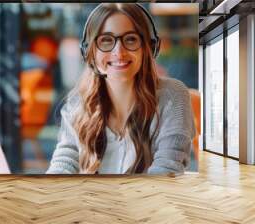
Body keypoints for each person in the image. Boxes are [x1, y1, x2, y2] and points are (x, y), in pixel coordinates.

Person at [46, 3, 196, 175]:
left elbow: (166, 172)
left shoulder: (172, 96)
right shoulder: (77, 103)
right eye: (106, 40)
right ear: (90, 52)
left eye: (130, 39)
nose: (119, 52)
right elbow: (64, 162)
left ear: (148, 48)